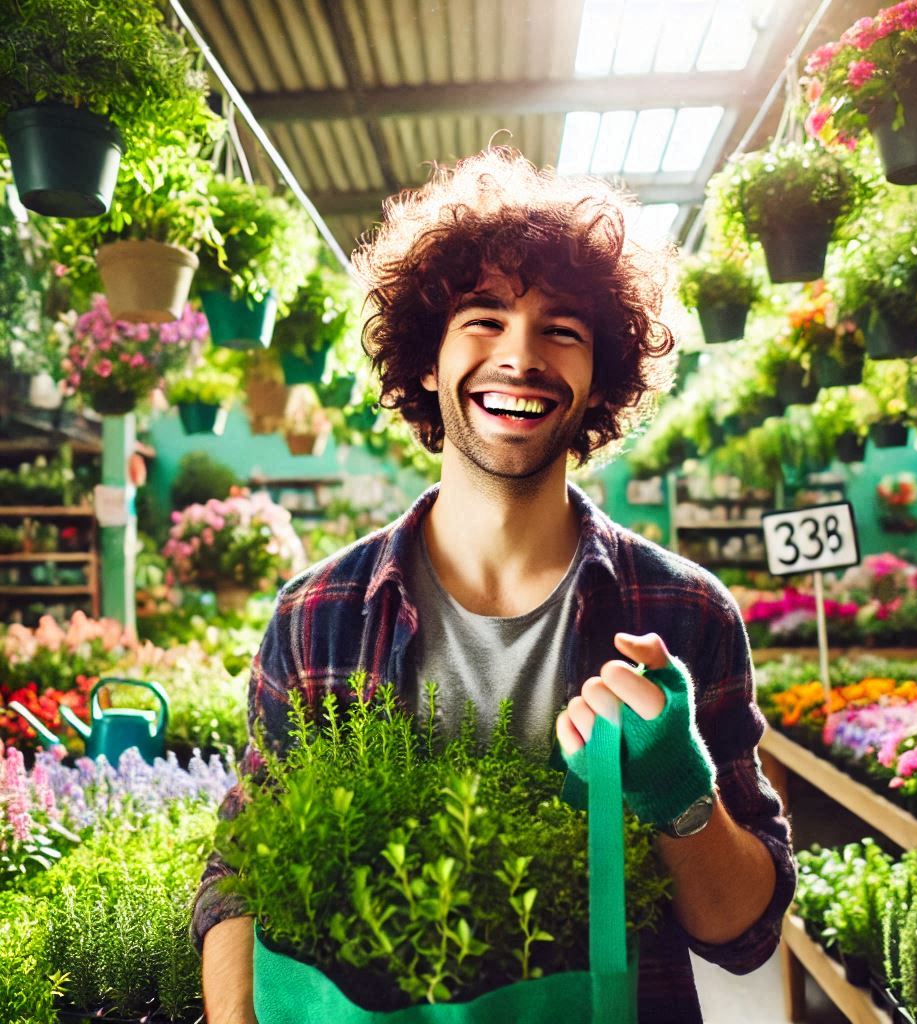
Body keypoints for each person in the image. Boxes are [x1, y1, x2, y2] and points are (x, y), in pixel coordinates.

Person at [191, 147, 796, 1024]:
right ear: (426, 365)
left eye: (563, 329)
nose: (520, 356)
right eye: (482, 319)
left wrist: (682, 797)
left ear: (599, 387)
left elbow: (742, 935)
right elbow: (240, 877)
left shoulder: (683, 611)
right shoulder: (317, 617)